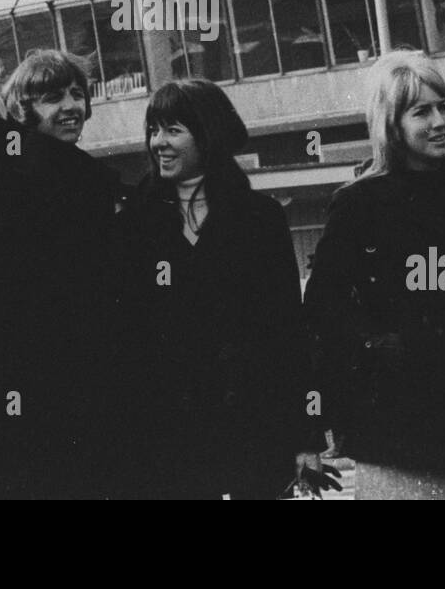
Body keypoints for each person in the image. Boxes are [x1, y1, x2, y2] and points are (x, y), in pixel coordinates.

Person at [304, 51, 445, 499]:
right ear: (391, 124)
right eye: (422, 111)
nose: (441, 121)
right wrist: (378, 347)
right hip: (395, 434)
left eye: (444, 106)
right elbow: (324, 312)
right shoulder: (358, 206)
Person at [123, 78, 321, 499]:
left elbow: (288, 331)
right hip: (168, 439)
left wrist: (306, 437)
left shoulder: (260, 219)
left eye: (173, 129)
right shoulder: (134, 223)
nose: (159, 142)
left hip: (254, 427)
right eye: (154, 129)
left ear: (209, 133)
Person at [0, 51, 134, 498]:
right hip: (29, 380)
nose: (71, 106)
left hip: (90, 378)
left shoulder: (92, 178)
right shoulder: (11, 167)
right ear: (24, 110)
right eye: (54, 98)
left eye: (77, 94)